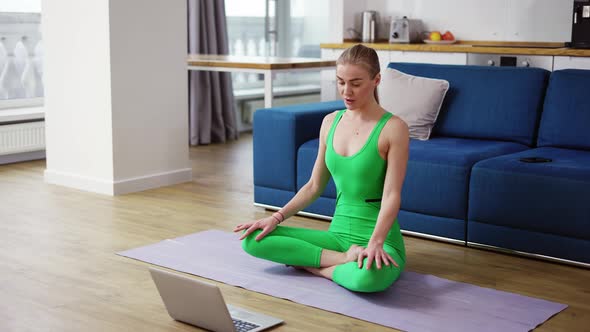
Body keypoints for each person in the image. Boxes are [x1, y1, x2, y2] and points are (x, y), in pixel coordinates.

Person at [233, 44, 409, 293]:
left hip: (379, 239)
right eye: (340, 82)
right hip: (337, 239)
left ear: (376, 80)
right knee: (253, 239)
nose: (347, 91)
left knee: (367, 279)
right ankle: (340, 261)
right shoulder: (330, 122)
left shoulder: (394, 128)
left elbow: (392, 195)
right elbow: (314, 186)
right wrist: (275, 217)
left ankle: (314, 266)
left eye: (356, 83)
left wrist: (375, 243)